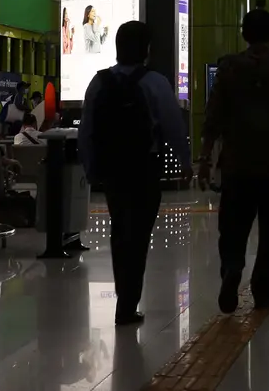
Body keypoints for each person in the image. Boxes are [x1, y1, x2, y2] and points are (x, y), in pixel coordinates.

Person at [198, 8, 269, 313]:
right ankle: (263, 288)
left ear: (244, 34)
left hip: (238, 164)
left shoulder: (230, 68)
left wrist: (204, 160)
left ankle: (232, 269)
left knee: (233, 226)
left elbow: (213, 117)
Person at [79, 21, 191, 325]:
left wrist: (91, 169)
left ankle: (123, 297)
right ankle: (128, 302)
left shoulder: (99, 82)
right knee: (138, 235)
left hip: (113, 170)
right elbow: (173, 127)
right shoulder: (155, 82)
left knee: (120, 230)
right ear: (147, 49)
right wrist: (187, 161)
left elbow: (87, 130)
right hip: (144, 168)